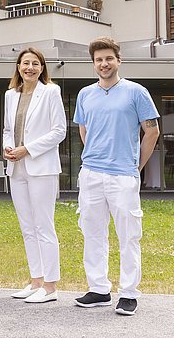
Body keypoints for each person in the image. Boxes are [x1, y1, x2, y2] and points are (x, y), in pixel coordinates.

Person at [73, 37, 159, 315]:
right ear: (93, 64)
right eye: (98, 60)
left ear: (118, 60)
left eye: (108, 58)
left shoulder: (136, 92)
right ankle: (99, 289)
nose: (104, 63)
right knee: (92, 233)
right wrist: (95, 156)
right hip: (91, 174)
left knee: (128, 235)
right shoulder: (85, 94)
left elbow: (152, 131)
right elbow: (83, 130)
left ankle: (129, 293)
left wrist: (137, 166)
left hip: (123, 175)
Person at [3, 47, 66, 304]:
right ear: (18, 67)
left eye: (35, 63)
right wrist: (8, 147)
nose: (29, 67)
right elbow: (8, 128)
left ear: (42, 67)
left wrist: (27, 149)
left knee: (43, 226)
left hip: (41, 167)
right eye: (25, 63)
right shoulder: (10, 95)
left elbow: (59, 131)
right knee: (28, 228)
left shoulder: (51, 92)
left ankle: (50, 287)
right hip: (16, 168)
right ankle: (36, 281)